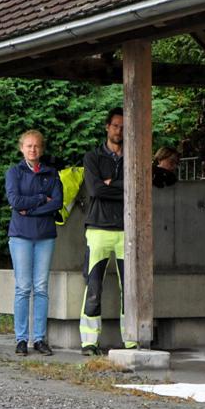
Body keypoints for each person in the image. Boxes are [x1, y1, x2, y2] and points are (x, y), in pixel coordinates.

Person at [79, 107, 135, 356]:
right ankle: (89, 342)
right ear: (107, 127)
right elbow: (96, 190)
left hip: (127, 229)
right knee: (94, 287)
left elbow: (136, 187)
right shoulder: (92, 157)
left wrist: (113, 184)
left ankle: (132, 339)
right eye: (115, 125)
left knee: (130, 288)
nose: (119, 130)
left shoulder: (132, 156)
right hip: (98, 229)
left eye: (123, 127)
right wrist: (119, 187)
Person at [5, 130, 62, 357]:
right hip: (20, 236)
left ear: (42, 148)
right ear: (22, 148)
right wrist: (40, 198)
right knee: (23, 288)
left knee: (41, 288)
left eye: (36, 146)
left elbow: (57, 202)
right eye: (28, 146)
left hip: (45, 235)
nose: (33, 150)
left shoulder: (51, 173)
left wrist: (29, 209)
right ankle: (21, 339)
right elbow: (15, 201)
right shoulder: (14, 172)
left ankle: (39, 338)